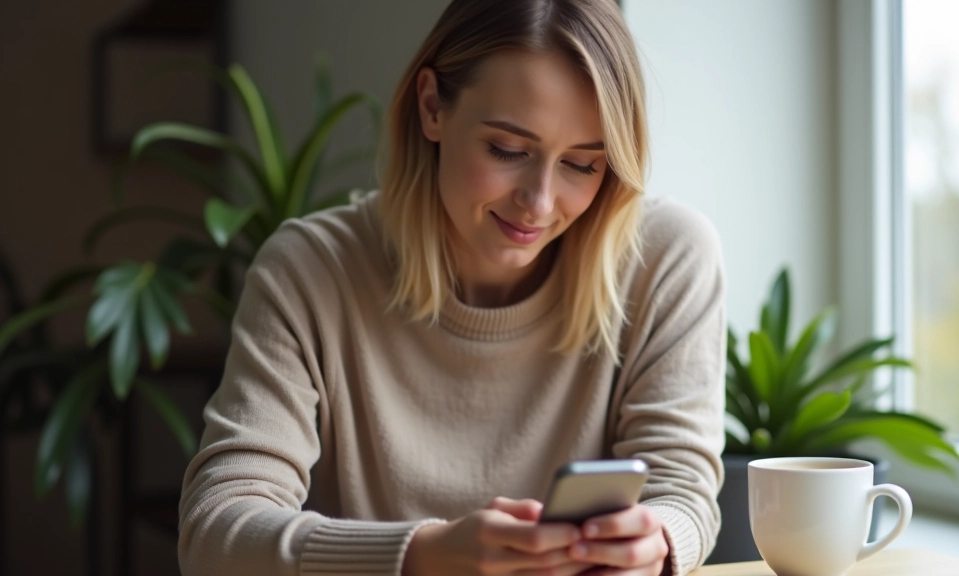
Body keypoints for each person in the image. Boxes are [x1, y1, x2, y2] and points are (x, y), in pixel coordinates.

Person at [177, 0, 726, 574]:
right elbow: (216, 531)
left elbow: (681, 492)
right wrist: (421, 556)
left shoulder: (666, 258)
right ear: (432, 106)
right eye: (508, 150)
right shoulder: (311, 271)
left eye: (583, 165)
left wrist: (653, 543)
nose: (539, 203)